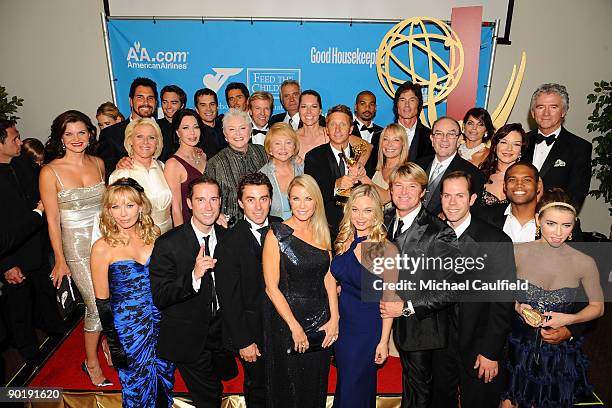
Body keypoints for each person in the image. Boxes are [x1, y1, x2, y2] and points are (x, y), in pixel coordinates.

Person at [501, 189, 604, 408]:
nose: (558, 232)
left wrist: (567, 321)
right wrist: (518, 307)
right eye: (551, 224)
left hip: (559, 356)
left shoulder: (585, 262)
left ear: (574, 225)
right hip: (516, 347)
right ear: (538, 220)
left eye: (566, 225)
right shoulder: (516, 252)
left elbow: (597, 307)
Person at [39, 110, 111, 386]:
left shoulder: (99, 163)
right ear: (60, 138)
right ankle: (90, 361)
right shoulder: (50, 171)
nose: (76, 138)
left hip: (105, 242)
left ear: (90, 133)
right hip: (76, 246)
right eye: (69, 134)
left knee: (111, 299)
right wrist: (59, 259)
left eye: (81, 132)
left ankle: (106, 344)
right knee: (95, 304)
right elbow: (53, 220)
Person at [379, 163, 460, 408]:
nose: (404, 192)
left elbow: (452, 289)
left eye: (411, 186)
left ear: (423, 191)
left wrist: (406, 308)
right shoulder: (383, 220)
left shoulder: (439, 232)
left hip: (421, 327)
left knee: (419, 394)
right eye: (398, 186)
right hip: (383, 320)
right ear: (390, 190)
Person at [91, 178, 174, 407]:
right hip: (128, 328)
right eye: (115, 206)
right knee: (136, 386)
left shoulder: (154, 233)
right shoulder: (102, 247)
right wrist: (113, 343)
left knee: (164, 377)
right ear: (108, 211)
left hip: (160, 318)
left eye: (129, 205)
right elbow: (102, 301)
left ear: (141, 206)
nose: (123, 214)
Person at [149, 176, 228, 407]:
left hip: (222, 335)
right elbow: (160, 296)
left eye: (214, 199)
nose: (209, 206)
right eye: (201, 199)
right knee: (209, 396)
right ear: (189, 203)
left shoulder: (227, 238)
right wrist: (194, 276)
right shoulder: (168, 243)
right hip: (189, 337)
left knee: (221, 384)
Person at [262, 174, 339, 408]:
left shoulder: (322, 231)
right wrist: (295, 327)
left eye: (308, 199)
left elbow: (328, 276)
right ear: (289, 201)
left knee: (314, 384)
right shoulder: (277, 233)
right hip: (287, 323)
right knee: (289, 387)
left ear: (316, 201)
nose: (302, 205)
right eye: (296, 199)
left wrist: (335, 318)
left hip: (320, 322)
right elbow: (271, 288)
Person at [439, 171, 515, 407]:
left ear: (472, 199)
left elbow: (503, 302)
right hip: (439, 347)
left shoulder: (496, 240)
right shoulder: (430, 236)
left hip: (479, 345)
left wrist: (491, 351)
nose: (452, 203)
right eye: (447, 196)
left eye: (460, 196)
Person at [216, 172, 283, 407]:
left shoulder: (283, 228)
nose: (258, 206)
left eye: (263, 198)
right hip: (251, 332)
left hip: (282, 327)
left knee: (283, 384)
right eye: (251, 199)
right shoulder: (228, 243)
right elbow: (229, 299)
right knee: (259, 388)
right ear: (241, 203)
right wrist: (244, 341)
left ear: (271, 200)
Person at [0, 120, 62, 364]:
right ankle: (31, 361)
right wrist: (4, 265)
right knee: (20, 312)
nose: (20, 142)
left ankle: (60, 340)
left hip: (39, 249)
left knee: (48, 299)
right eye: (14, 139)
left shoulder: (23, 163)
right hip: (13, 259)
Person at [331, 184, 395, 408]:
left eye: (368, 211)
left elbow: (389, 299)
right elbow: (341, 279)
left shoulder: (382, 248)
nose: (361, 216)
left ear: (377, 213)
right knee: (348, 386)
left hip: (367, 329)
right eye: (356, 210)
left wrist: (383, 341)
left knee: (352, 389)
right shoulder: (345, 240)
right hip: (344, 327)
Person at [522, 83, 592, 211]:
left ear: (563, 112)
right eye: (540, 107)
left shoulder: (579, 148)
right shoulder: (521, 141)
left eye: (553, 107)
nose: (546, 113)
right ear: (533, 112)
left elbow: (575, 196)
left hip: (555, 223)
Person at [305, 105, 368, 238]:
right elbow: (311, 194)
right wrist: (336, 186)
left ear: (351, 129)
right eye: (333, 124)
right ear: (327, 129)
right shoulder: (314, 157)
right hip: (326, 231)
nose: (337, 129)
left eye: (343, 125)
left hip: (360, 229)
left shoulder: (361, 157)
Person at [98, 78, 175, 174]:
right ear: (131, 101)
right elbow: (104, 172)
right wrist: (117, 166)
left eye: (150, 98)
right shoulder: (110, 134)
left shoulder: (170, 130)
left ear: (156, 103)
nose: (146, 103)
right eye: (140, 97)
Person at [108, 118, 172, 234]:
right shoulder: (121, 175)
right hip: (140, 240)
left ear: (157, 142)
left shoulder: (163, 167)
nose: (145, 142)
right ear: (130, 140)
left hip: (169, 237)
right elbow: (115, 218)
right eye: (139, 136)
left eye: (151, 137)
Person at [204, 109, 268, 222]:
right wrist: (217, 215)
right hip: (230, 228)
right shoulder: (215, 163)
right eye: (232, 129)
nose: (238, 134)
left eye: (242, 128)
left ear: (250, 131)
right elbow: (206, 196)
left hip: (263, 222)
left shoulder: (262, 152)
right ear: (225, 134)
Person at [416, 116, 485, 217]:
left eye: (451, 134)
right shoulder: (417, 165)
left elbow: (474, 214)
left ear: (459, 139)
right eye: (439, 134)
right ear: (432, 138)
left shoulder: (473, 175)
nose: (444, 139)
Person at [163, 109, 207, 226]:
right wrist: (182, 238)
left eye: (196, 127)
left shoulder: (203, 155)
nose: (192, 133)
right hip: (188, 226)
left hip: (208, 222)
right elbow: (176, 208)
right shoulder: (173, 164)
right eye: (186, 128)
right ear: (177, 132)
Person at [259, 123, 304, 219]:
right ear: (270, 148)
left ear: (294, 147)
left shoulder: (303, 169)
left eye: (288, 143)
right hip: (273, 230)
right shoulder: (262, 176)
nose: (283, 148)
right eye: (277, 143)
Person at [359, 123, 409, 206]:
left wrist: (362, 177)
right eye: (385, 139)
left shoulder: (405, 172)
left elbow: (385, 198)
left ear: (403, 144)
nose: (389, 144)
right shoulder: (377, 168)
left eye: (396, 140)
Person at [479, 123, 527, 206]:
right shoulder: (479, 175)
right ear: (495, 146)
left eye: (516, 144)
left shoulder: (530, 179)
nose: (509, 148)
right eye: (504, 142)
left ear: (521, 150)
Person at [393, 81, 434, 160]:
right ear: (396, 104)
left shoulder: (431, 137)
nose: (407, 105)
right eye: (402, 100)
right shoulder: (381, 136)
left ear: (419, 104)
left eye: (412, 100)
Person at [158, 84, 187, 153]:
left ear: (182, 105)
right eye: (165, 102)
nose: (168, 107)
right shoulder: (154, 126)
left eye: (173, 103)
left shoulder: (189, 127)